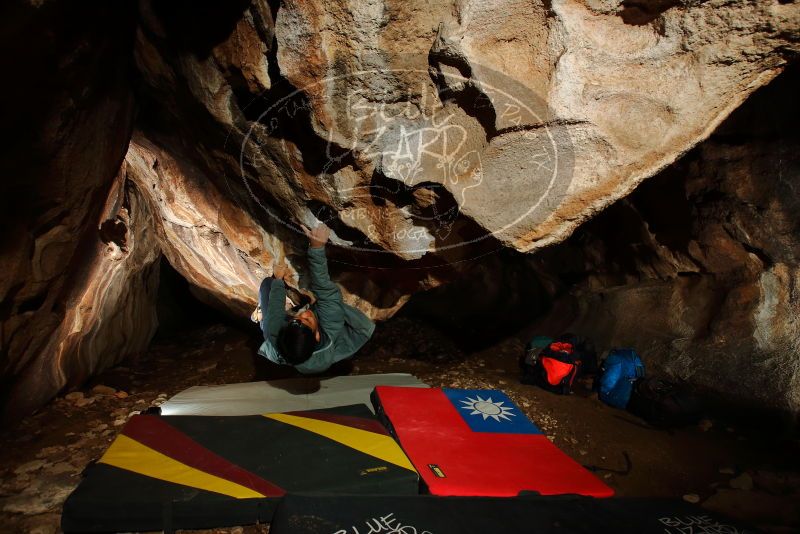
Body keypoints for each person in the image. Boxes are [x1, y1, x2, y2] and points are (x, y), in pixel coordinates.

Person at [252, 223, 375, 373]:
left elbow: (275, 309)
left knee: (267, 285)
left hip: (295, 351)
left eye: (297, 319)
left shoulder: (275, 333)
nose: (304, 314)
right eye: (307, 320)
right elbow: (324, 288)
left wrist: (278, 280)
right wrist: (317, 249)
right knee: (323, 308)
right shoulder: (332, 324)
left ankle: (262, 318)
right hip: (322, 354)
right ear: (317, 335)